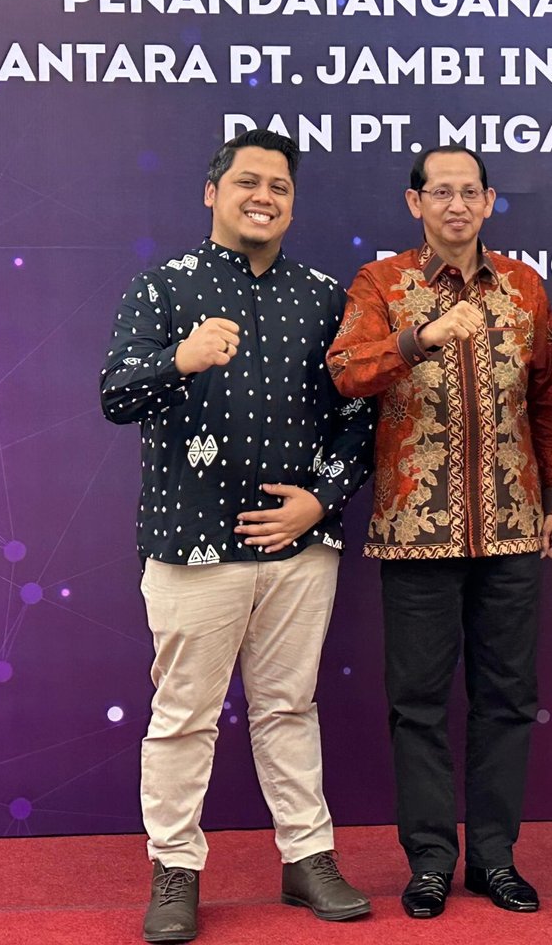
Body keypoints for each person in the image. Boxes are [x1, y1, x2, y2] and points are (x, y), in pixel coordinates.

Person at [100, 129, 376, 944]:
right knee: (184, 715)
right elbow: (115, 395)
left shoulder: (326, 298)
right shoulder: (163, 288)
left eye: (279, 186)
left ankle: (308, 857)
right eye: (248, 181)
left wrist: (319, 503)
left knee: (289, 707)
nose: (264, 196)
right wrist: (180, 360)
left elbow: (361, 417)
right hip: (191, 545)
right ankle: (175, 868)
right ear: (212, 193)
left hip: (301, 548)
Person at [326, 146, 552, 920]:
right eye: (442, 192)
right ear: (416, 203)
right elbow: (346, 371)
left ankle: (495, 859)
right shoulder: (382, 283)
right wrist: (420, 338)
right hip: (416, 531)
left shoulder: (522, 285)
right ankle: (431, 861)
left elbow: (546, 398)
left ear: (490, 201)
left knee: (508, 699)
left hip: (513, 526)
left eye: (470, 192)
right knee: (419, 704)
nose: (457, 205)